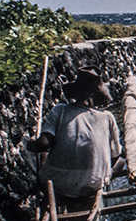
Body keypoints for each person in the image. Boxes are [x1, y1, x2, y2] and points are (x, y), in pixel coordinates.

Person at [27, 68, 122, 203]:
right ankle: (99, 182)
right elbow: (115, 156)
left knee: (45, 156)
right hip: (93, 183)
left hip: (59, 184)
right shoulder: (107, 118)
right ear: (94, 96)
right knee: (121, 162)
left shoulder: (60, 110)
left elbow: (43, 144)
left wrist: (30, 144)